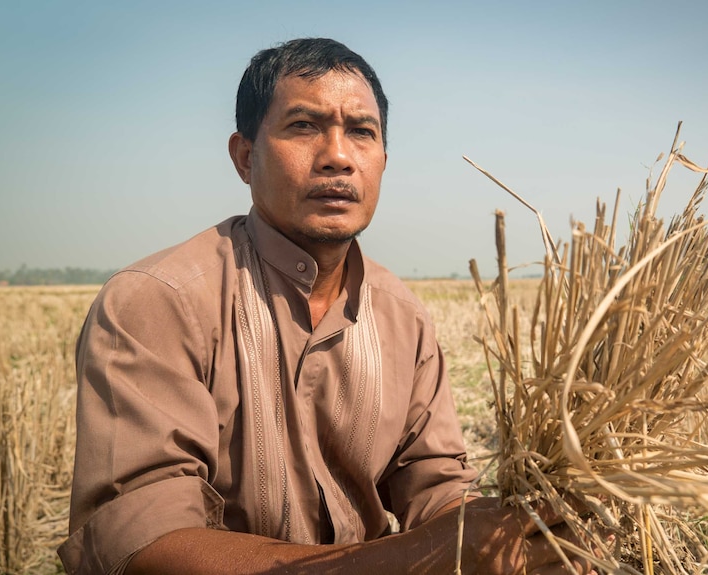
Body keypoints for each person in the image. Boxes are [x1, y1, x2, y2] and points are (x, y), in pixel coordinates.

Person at [58, 38, 595, 575]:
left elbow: (435, 486)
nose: (338, 156)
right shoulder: (158, 302)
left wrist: (516, 539)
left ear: (383, 160)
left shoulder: (400, 316)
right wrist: (412, 558)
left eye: (361, 132)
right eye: (303, 126)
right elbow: (144, 546)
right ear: (245, 157)